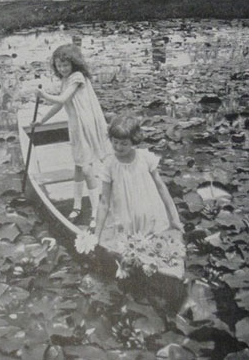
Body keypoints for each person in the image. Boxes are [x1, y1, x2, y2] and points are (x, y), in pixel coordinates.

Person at [32, 44, 110, 229]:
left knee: (87, 168)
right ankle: (76, 206)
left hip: (85, 125)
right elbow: (59, 106)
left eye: (66, 65)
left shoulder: (77, 77)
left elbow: (61, 99)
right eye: (59, 66)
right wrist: (42, 120)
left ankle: (95, 211)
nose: (62, 69)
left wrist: (43, 94)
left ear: (74, 64)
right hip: (75, 127)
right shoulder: (66, 80)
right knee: (77, 166)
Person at [95, 113, 183, 248]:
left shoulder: (145, 158)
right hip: (125, 217)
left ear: (133, 141)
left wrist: (174, 218)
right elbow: (104, 201)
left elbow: (161, 188)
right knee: (129, 249)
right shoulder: (109, 165)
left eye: (124, 143)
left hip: (149, 214)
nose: (118, 147)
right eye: (115, 142)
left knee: (153, 248)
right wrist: (97, 235)